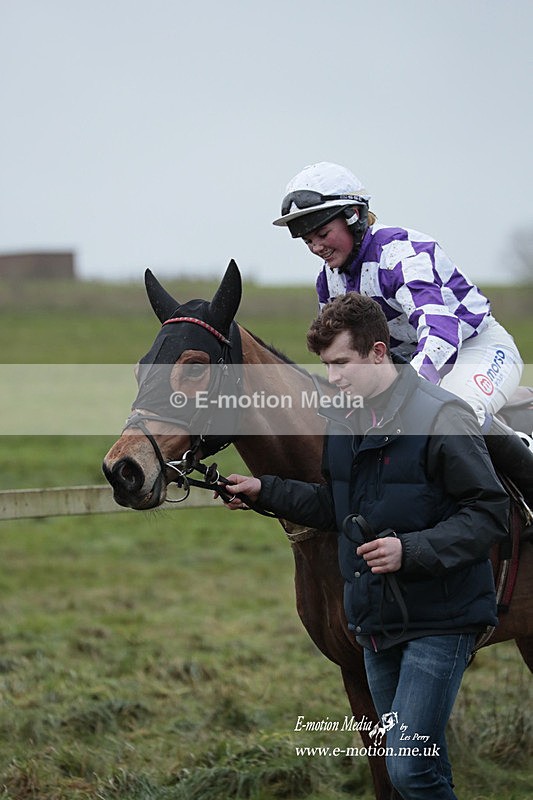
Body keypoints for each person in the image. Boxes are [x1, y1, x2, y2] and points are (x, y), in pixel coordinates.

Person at [221, 293, 509, 800]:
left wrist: (410, 550)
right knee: (421, 765)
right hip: (376, 622)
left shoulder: (443, 417)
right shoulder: (345, 421)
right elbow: (336, 505)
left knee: (409, 769)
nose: (332, 379)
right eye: (325, 366)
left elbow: (488, 513)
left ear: (379, 352)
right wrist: (266, 491)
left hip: (441, 619)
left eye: (341, 364)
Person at [272, 161, 533, 507]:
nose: (316, 248)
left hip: (473, 347)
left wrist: (403, 391)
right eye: (307, 240)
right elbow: (337, 350)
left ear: (353, 215)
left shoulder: (401, 254)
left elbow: (441, 332)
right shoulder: (328, 280)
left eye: (322, 235)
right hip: (404, 361)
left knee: (456, 414)